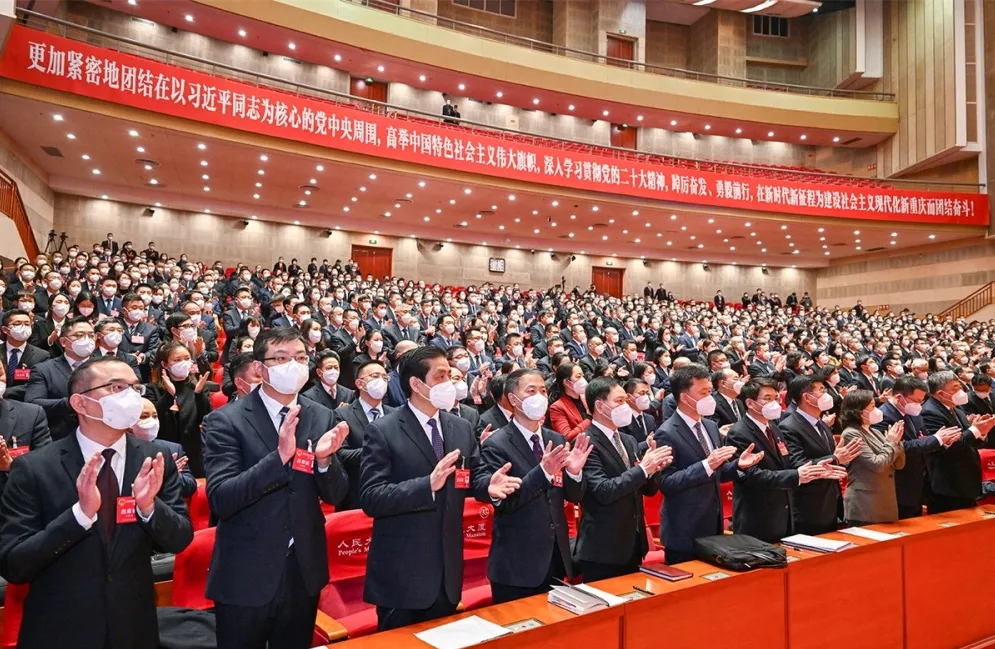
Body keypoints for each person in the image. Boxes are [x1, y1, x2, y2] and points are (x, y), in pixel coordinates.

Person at [0, 356, 192, 649]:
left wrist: (149, 508)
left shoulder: (154, 459)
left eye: (134, 387)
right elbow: (15, 564)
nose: (129, 396)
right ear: (80, 403)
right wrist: (79, 516)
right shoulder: (34, 468)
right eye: (116, 387)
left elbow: (180, 539)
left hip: (134, 626)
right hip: (61, 628)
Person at [202, 327, 350, 649]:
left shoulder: (321, 415)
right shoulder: (226, 421)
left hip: (303, 570)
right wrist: (280, 457)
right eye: (281, 359)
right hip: (246, 572)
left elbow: (336, 494)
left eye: (299, 357)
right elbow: (222, 499)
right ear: (259, 367)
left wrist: (324, 463)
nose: (292, 366)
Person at [360, 345, 521, 631]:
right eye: (441, 375)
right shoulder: (383, 430)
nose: (449, 382)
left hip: (447, 570)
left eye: (450, 375)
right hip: (402, 573)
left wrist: (488, 486)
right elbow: (372, 497)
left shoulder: (459, 426)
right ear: (416, 384)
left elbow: (471, 476)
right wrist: (427, 485)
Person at [481, 369, 590, 603]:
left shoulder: (557, 439)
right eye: (531, 391)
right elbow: (506, 502)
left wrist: (575, 473)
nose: (539, 396)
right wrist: (543, 472)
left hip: (556, 557)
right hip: (517, 563)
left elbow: (572, 495)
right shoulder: (496, 444)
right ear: (513, 400)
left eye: (543, 391)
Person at [654, 363, 763, 564]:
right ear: (685, 397)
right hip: (683, 529)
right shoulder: (666, 432)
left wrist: (739, 465)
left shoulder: (711, 426)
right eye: (703, 392)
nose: (709, 397)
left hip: (712, 525)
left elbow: (718, 472)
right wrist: (707, 464)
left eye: (710, 391)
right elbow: (667, 483)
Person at [726, 378, 845, 542]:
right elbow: (751, 476)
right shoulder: (739, 432)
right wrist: (796, 475)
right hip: (758, 515)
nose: (774, 403)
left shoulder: (773, 427)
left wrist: (818, 467)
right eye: (767, 399)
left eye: (776, 398)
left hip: (784, 513)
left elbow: (787, 462)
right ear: (750, 403)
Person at [576, 377, 672, 579]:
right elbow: (603, 491)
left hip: (633, 542)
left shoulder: (628, 440)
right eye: (619, 401)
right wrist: (643, 469)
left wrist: (653, 470)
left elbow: (647, 490)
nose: (625, 406)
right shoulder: (586, 441)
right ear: (600, 406)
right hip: (603, 548)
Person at [778, 375, 862, 535]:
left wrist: (842, 460)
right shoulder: (788, 427)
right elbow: (798, 464)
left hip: (830, 501)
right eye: (821, 390)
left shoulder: (822, 424)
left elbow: (833, 457)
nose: (826, 394)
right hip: (808, 506)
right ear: (807, 397)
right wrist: (835, 458)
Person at [876, 375, 959, 519]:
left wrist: (941, 441)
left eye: (922, 401)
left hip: (919, 482)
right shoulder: (883, 416)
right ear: (900, 397)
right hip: (899, 484)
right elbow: (901, 448)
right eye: (917, 401)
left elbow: (924, 437)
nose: (920, 405)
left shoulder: (913, 412)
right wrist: (936, 439)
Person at [921, 371, 995, 513]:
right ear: (940, 393)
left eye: (960, 386)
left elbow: (969, 440)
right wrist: (975, 430)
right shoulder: (930, 412)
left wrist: (981, 432)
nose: (960, 391)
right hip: (949, 482)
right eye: (955, 388)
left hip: (966, 479)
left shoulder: (956, 407)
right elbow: (950, 445)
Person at [144, 341, 212, 478]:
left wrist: (199, 396)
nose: (184, 363)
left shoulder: (198, 386)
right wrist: (169, 396)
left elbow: (206, 418)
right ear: (165, 365)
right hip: (165, 450)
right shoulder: (152, 389)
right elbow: (155, 421)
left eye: (187, 359)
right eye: (177, 360)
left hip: (194, 451)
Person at [839, 390, 906, 525]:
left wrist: (897, 442)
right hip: (865, 503)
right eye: (872, 406)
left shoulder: (875, 431)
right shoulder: (851, 433)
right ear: (859, 411)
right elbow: (877, 465)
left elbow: (899, 464)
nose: (877, 410)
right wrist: (892, 442)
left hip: (885, 499)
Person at [333, 359, 393, 510]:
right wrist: (375, 451)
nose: (381, 381)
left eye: (385, 377)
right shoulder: (341, 414)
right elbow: (340, 455)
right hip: (357, 495)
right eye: (375, 376)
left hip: (393, 493)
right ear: (360, 384)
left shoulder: (396, 414)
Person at [25, 317, 96, 440]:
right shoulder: (44, 369)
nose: (87, 340)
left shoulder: (107, 367)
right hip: (60, 436)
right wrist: (71, 402)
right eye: (79, 335)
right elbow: (33, 402)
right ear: (63, 342)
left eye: (91, 335)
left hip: (99, 434)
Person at [0, 360, 51, 502]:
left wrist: (10, 466)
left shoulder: (30, 414)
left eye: (0, 374)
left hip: (14, 504)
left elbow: (45, 466)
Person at [129, 397, 197, 499]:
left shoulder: (172, 449)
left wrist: (171, 474)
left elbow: (190, 487)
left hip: (162, 509)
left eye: (155, 416)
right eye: (144, 416)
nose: (151, 421)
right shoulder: (117, 449)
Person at [2, 309, 50, 401]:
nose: (23, 327)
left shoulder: (42, 356)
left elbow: (36, 384)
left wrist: (4, 392)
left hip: (25, 404)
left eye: (27, 324)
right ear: (5, 330)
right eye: (17, 324)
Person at [548, 362, 590, 442]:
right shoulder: (557, 407)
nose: (583, 380)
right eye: (578, 377)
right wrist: (589, 419)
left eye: (583, 376)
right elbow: (566, 437)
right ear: (567, 382)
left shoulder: (586, 397)